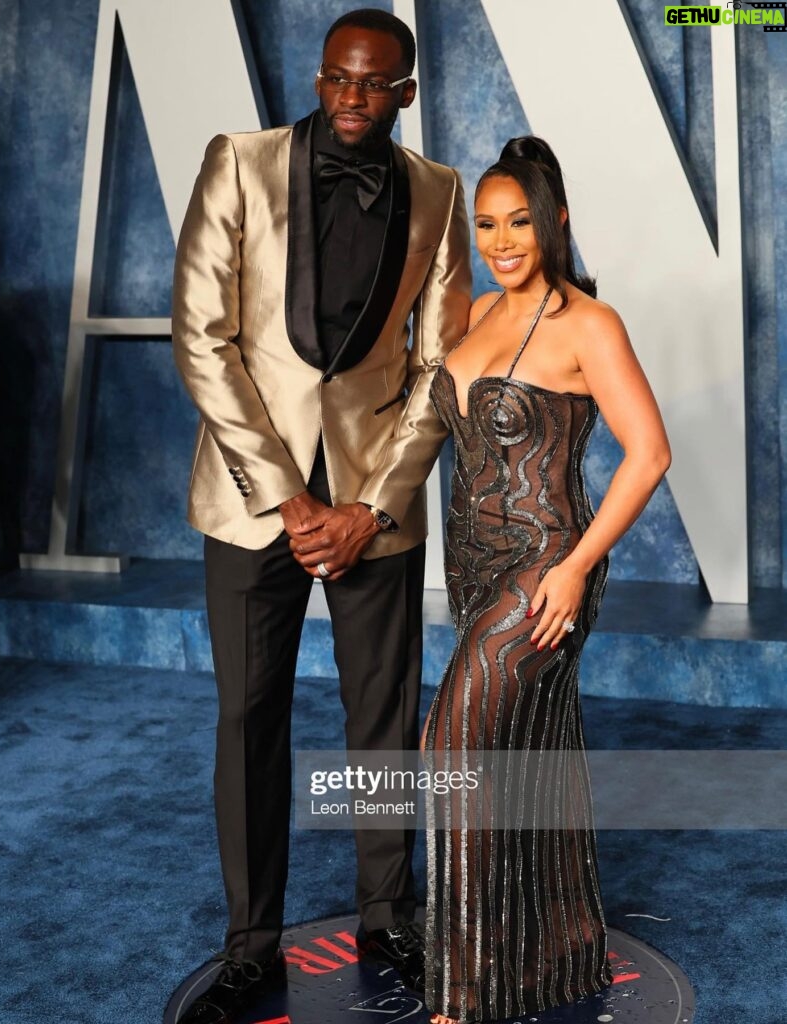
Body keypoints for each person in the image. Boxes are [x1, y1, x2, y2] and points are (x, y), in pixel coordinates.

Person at [171, 8, 472, 1022]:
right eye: (337, 79)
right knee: (249, 718)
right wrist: (293, 498)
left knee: (381, 723)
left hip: (373, 503)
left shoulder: (438, 191)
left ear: (407, 93)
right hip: (254, 502)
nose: (350, 99)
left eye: (372, 84)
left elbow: (441, 370)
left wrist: (371, 508)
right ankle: (252, 944)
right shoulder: (240, 164)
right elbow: (202, 338)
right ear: (319, 77)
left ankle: (388, 915)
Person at [422, 137, 672, 1024]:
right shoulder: (474, 312)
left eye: (518, 220)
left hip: (545, 568)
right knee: (522, 757)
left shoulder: (586, 325)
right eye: (486, 223)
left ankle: (459, 996)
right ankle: (555, 954)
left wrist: (571, 571)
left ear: (555, 220)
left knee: (449, 752)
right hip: (471, 570)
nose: (501, 238)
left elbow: (648, 455)